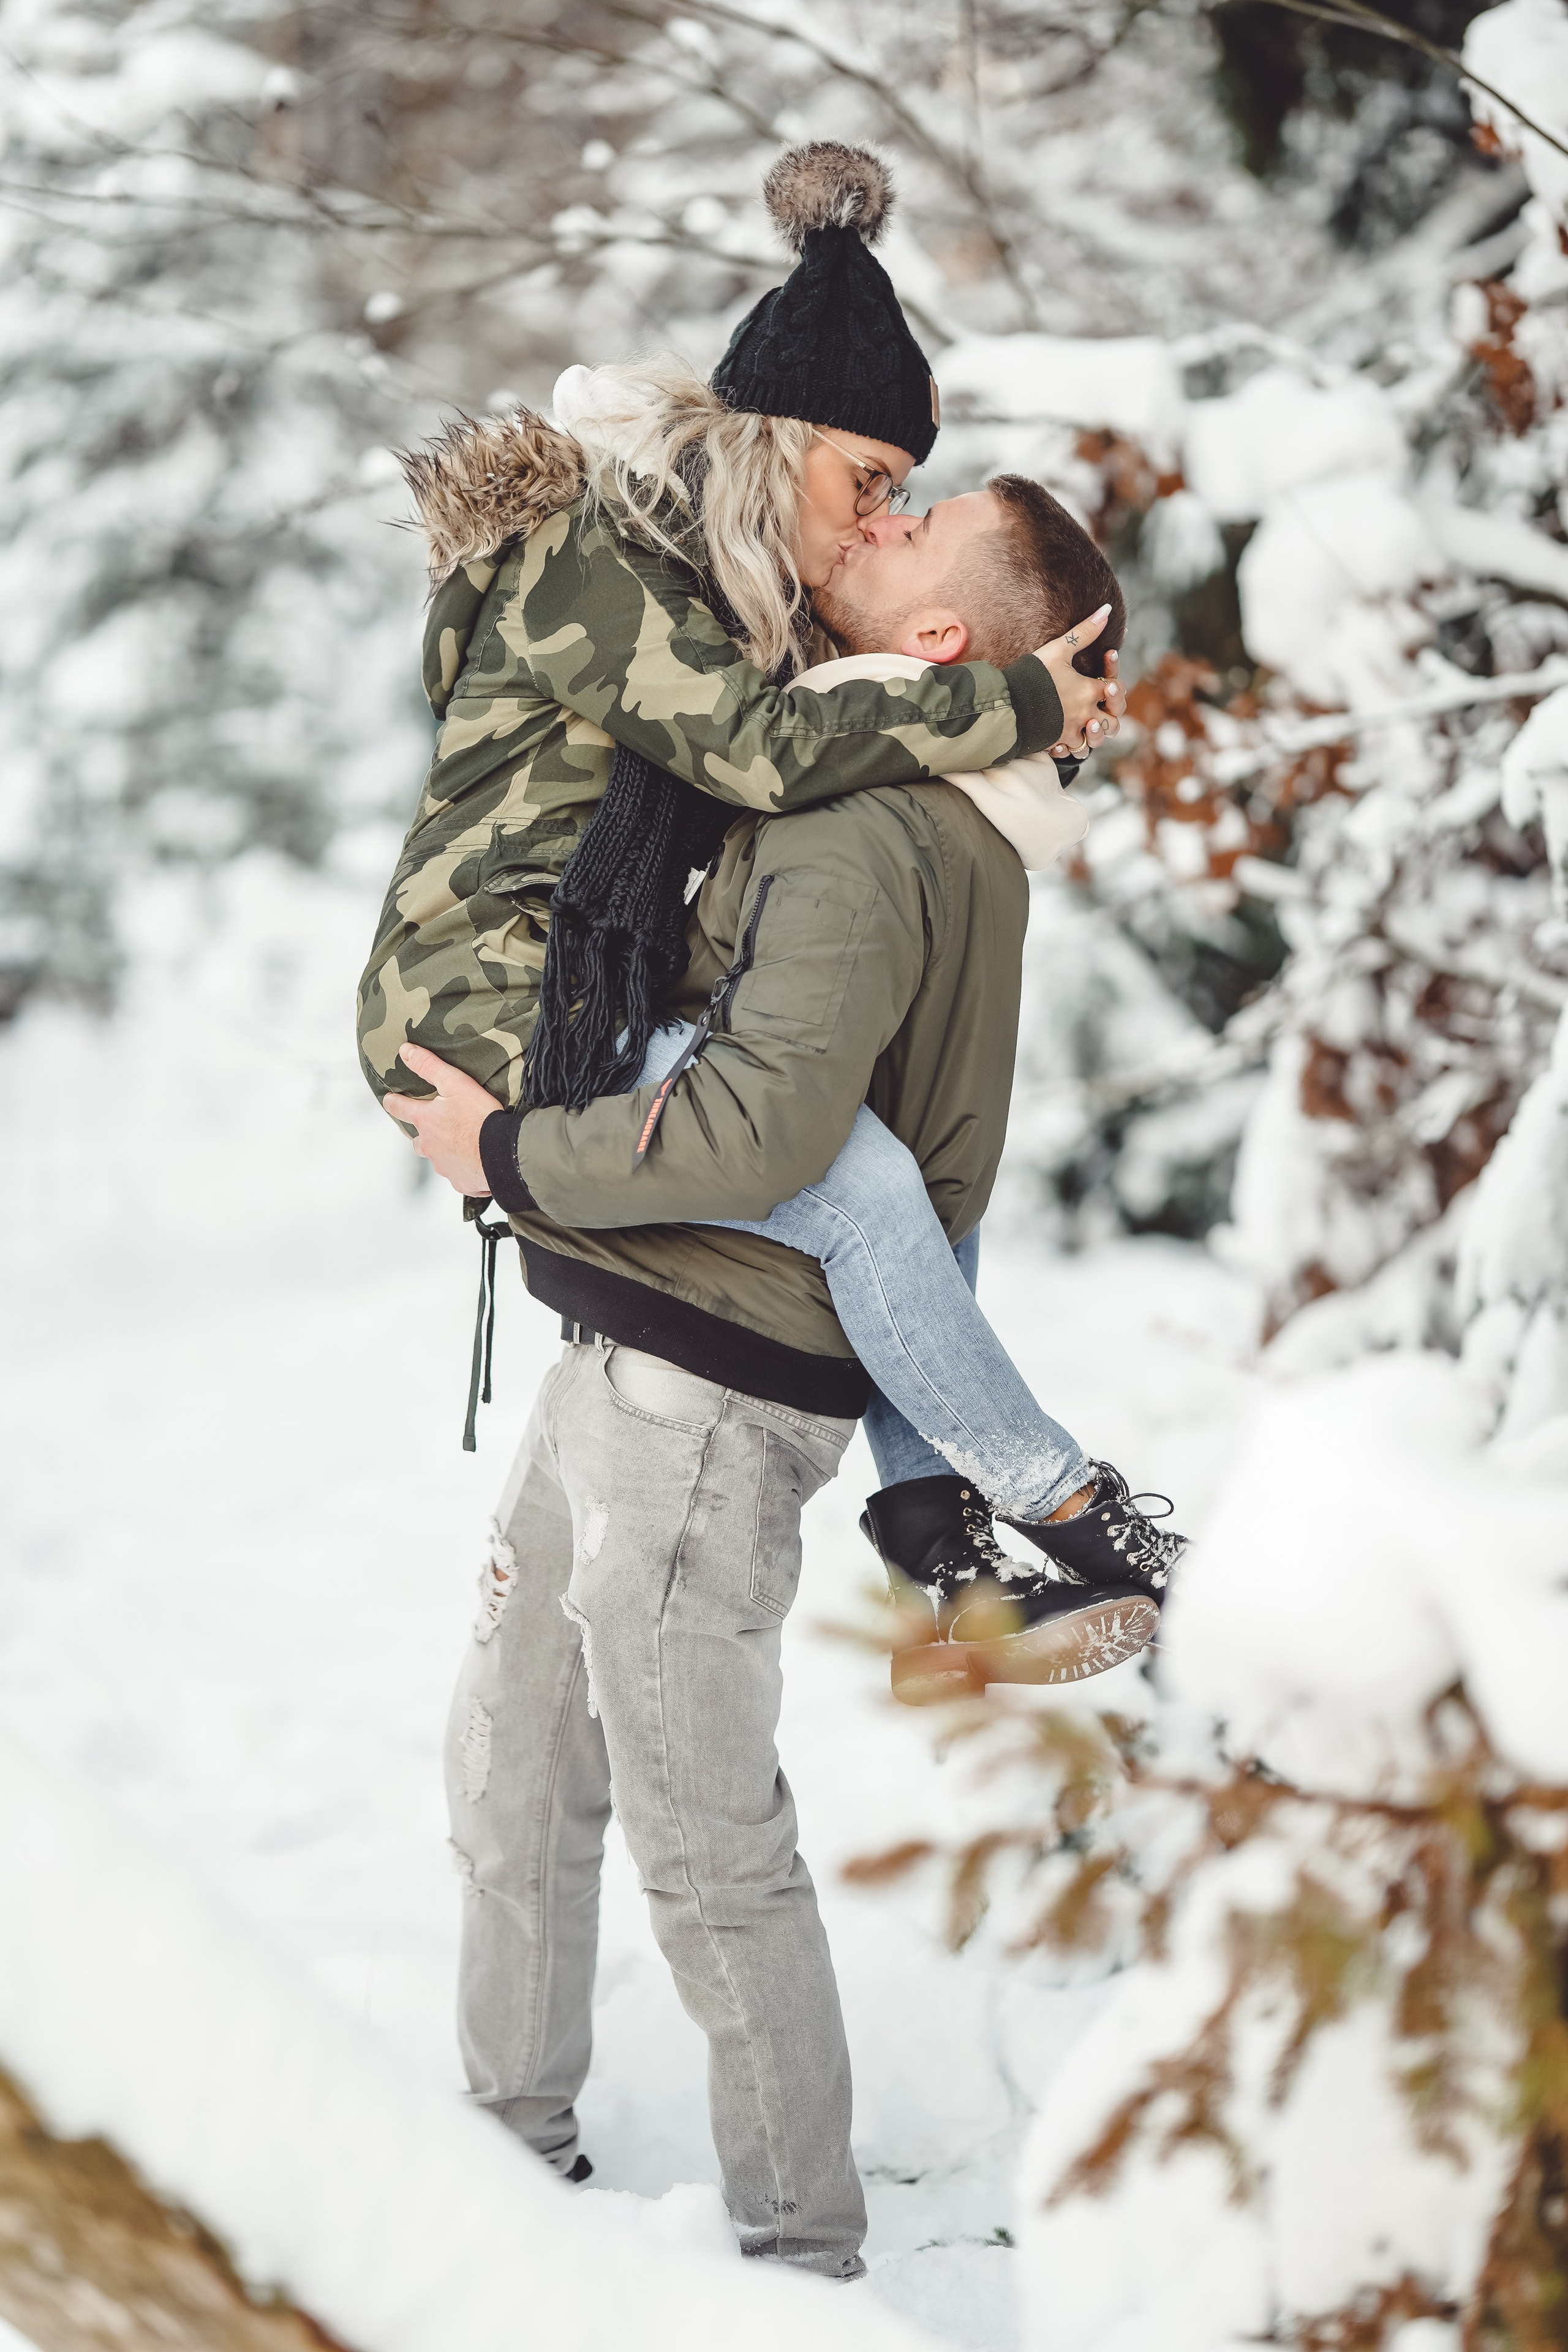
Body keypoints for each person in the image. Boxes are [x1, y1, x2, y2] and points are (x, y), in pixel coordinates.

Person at [390, 535, 1175, 2275]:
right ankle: (507, 2156)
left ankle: (802, 2264)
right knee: (515, 1762)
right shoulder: (939, 811)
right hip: (638, 1351)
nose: (866, 534)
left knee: (702, 1845)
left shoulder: (858, 814)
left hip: (698, 1398)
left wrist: (510, 1151)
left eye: (905, 524)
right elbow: (926, 1185)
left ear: (944, 637)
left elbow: (772, 1134)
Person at [363, 143, 1174, 1683]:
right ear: (775, 445)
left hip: (571, 983)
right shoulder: (600, 559)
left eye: (898, 497)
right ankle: (1066, 1510)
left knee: (903, 1179)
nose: (875, 517)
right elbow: (765, 747)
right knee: (856, 1192)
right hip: (483, 1000)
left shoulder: (706, 592)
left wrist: (1038, 711)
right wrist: (1013, 698)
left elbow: (865, 680)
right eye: (867, 480)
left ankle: (942, 1549)